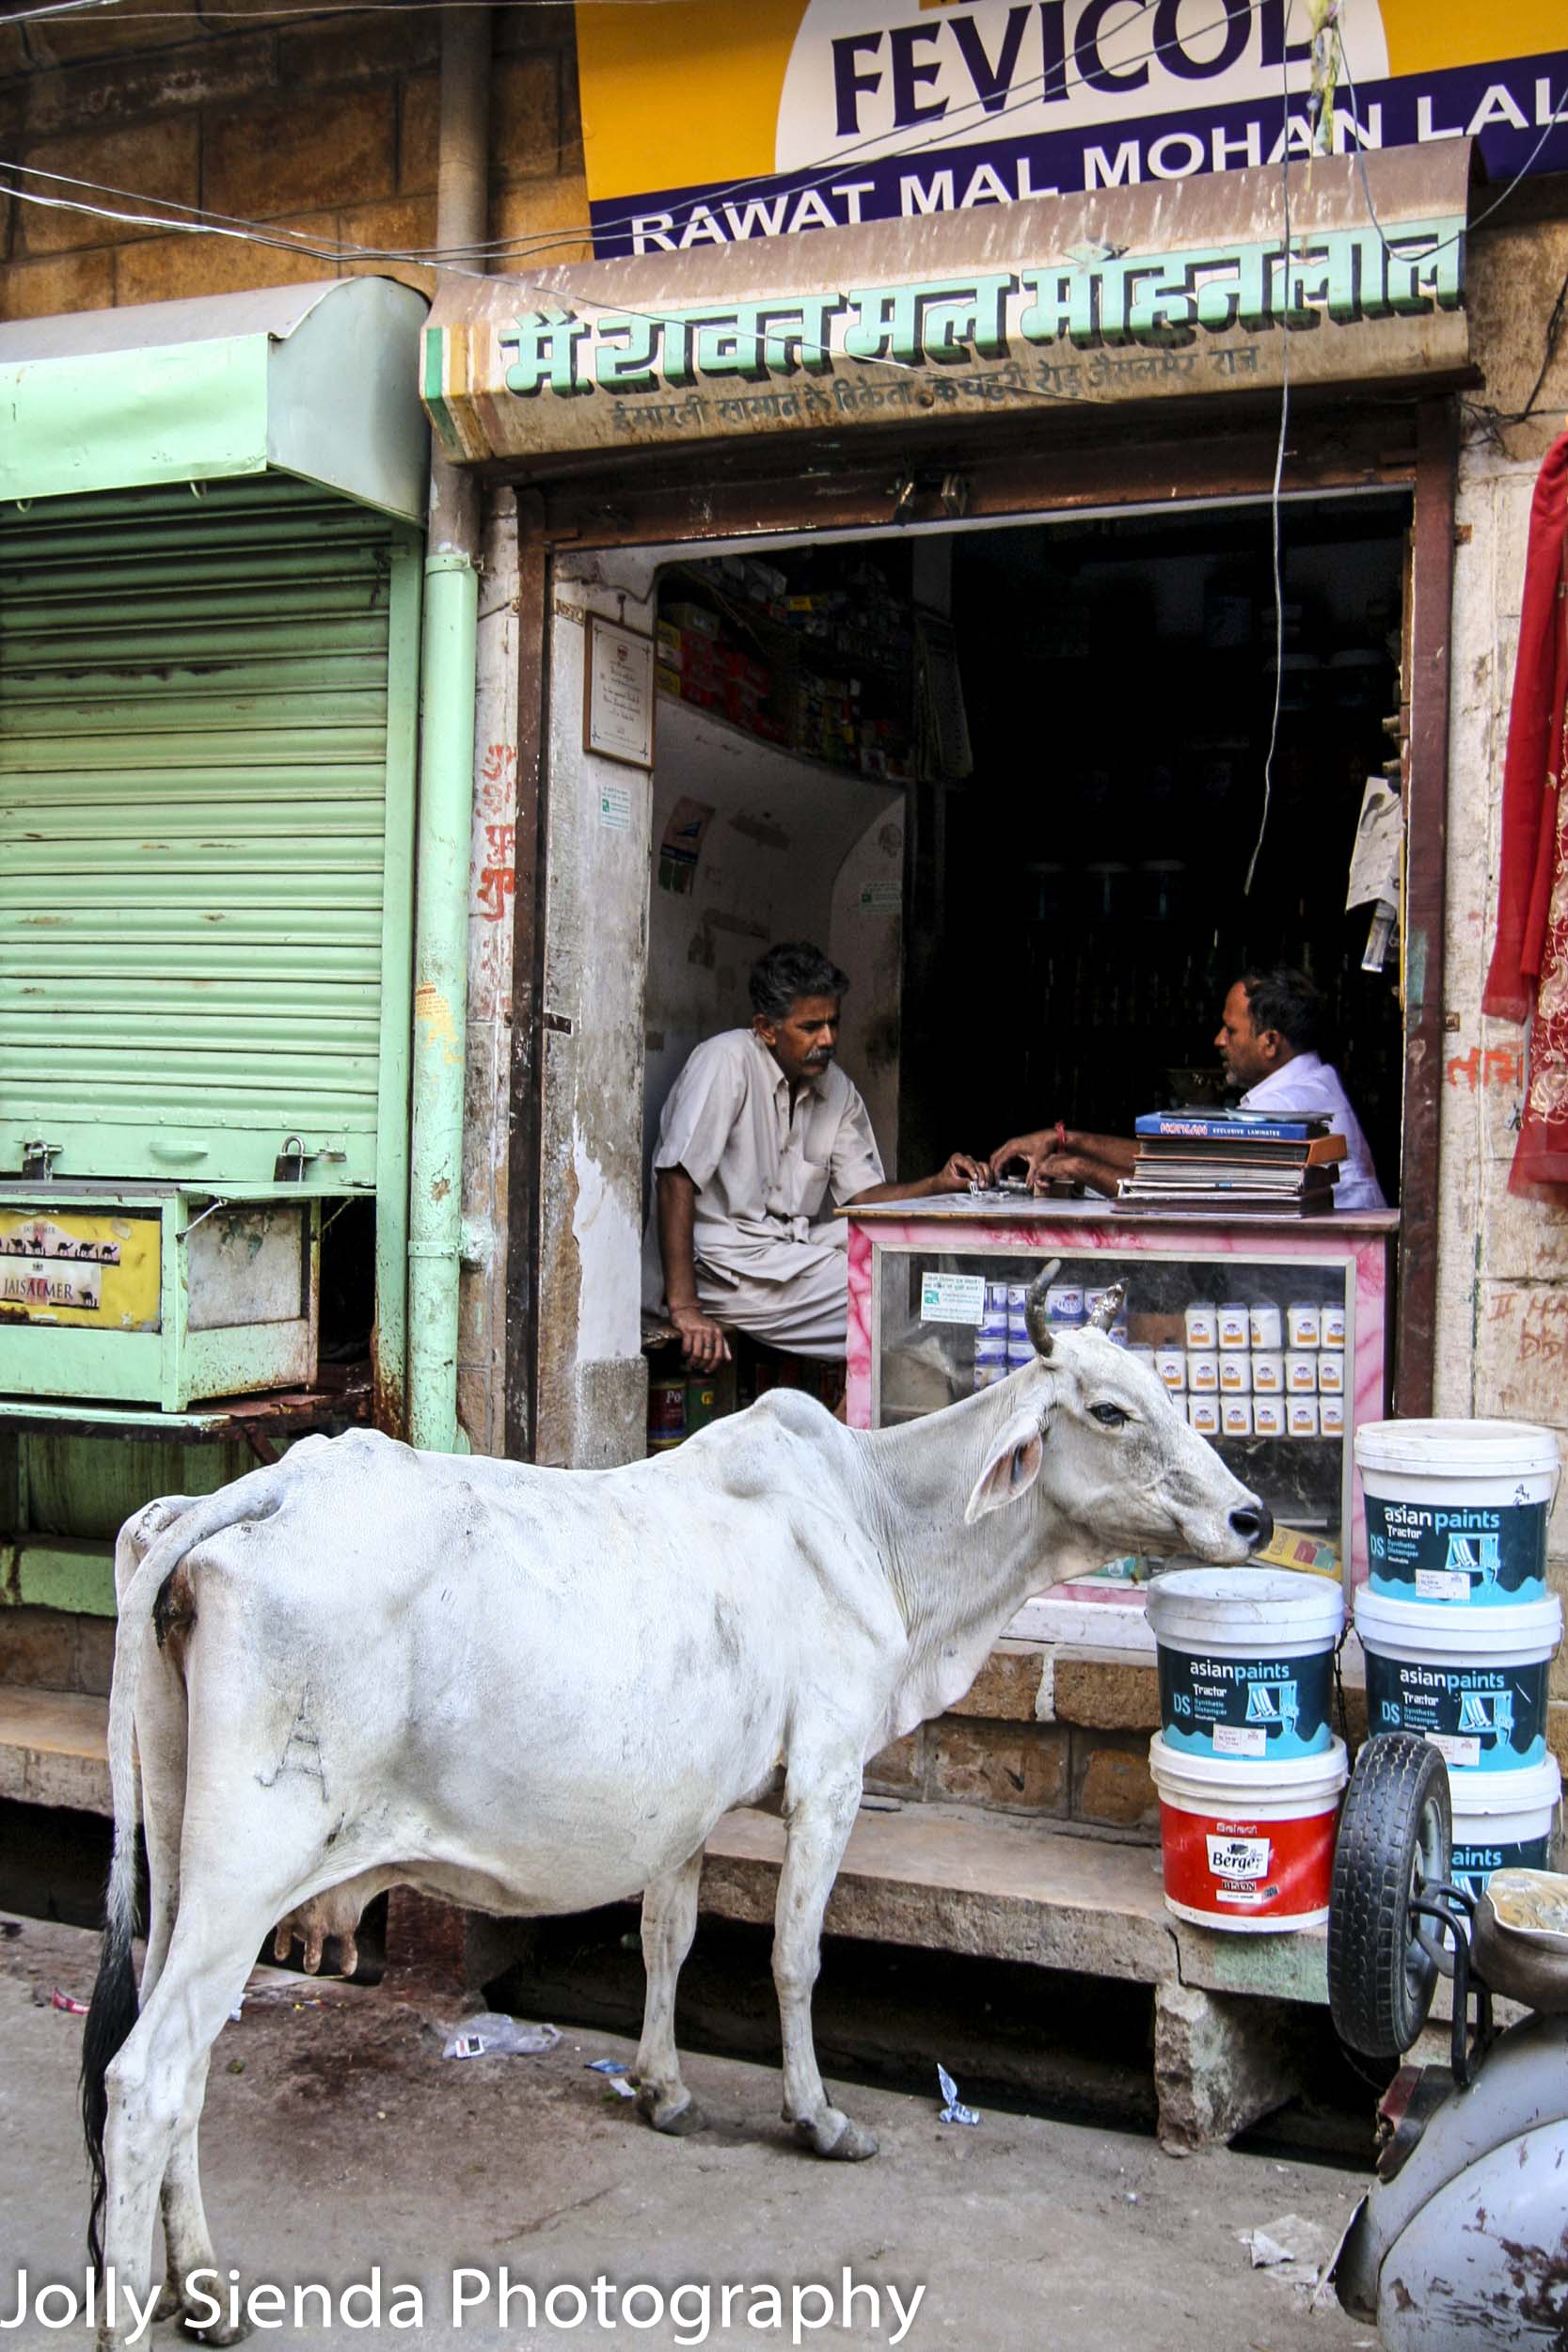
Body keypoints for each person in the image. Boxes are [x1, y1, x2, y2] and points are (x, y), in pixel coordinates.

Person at [645, 940, 986, 1370]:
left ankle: (864, 1400)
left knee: (920, 1259)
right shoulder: (726, 1061)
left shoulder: (835, 1086)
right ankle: (863, 1413)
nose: (827, 1039)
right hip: (722, 1266)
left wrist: (935, 1186)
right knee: (884, 1294)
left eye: (832, 1023)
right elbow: (675, 1180)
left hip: (790, 1249)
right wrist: (685, 1308)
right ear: (767, 1028)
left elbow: (862, 1198)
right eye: (810, 1027)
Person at [990, 967, 1387, 1211]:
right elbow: (1182, 1162)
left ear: (1269, 1042)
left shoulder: (1288, 1105)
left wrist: (1080, 1166)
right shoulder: (1311, 1081)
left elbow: (1185, 1189)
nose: (1218, 1040)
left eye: (1231, 1030)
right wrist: (1067, 1139)